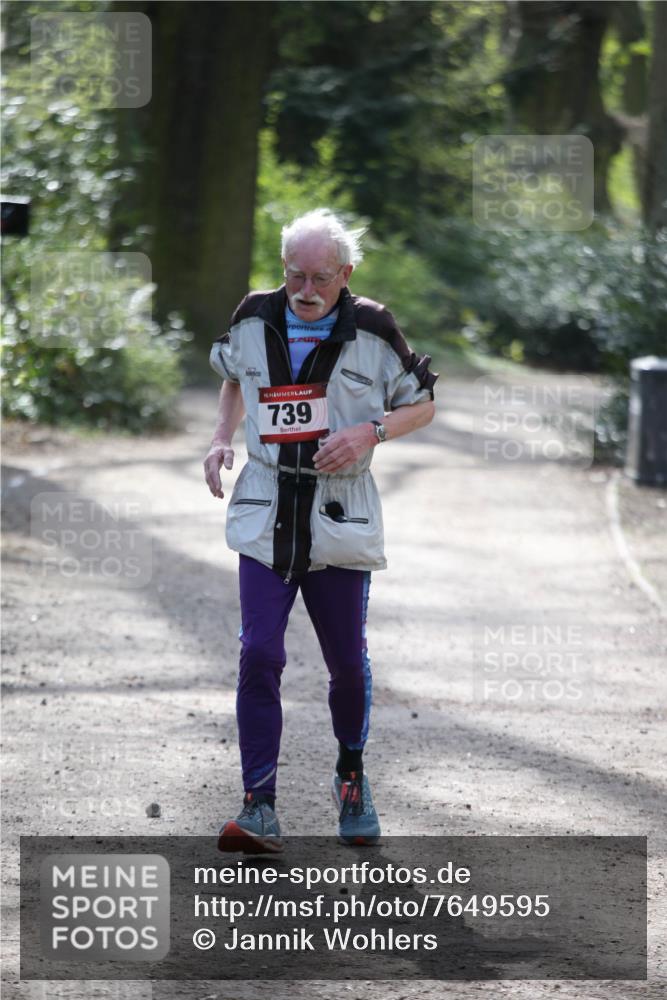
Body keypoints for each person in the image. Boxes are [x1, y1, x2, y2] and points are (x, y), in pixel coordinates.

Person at [204, 208, 437, 853]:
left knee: (346, 665)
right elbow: (230, 375)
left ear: (347, 275)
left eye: (321, 279)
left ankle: (351, 774)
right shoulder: (253, 315)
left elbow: (423, 402)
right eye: (295, 276)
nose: (305, 291)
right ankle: (259, 805)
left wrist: (372, 430)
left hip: (340, 512)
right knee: (259, 653)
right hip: (267, 505)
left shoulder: (374, 327)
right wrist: (222, 438)